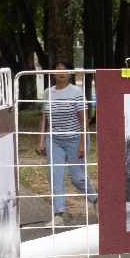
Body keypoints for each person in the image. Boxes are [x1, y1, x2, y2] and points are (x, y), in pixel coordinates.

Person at [33, 69, 96, 223]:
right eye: (57, 69)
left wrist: (82, 143)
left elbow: (83, 121)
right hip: (54, 140)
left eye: (64, 70)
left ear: (70, 74)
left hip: (75, 139)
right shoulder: (48, 92)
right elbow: (44, 118)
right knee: (54, 175)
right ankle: (58, 214)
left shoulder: (76, 92)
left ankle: (96, 200)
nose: (61, 73)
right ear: (53, 74)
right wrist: (40, 141)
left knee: (77, 178)